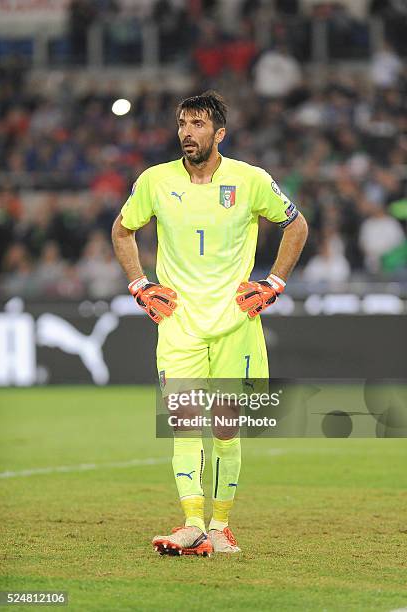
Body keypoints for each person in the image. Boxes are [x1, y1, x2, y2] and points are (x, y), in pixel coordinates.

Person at [111, 91, 308, 557]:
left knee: (224, 425)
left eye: (198, 124)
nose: (187, 132)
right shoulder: (156, 181)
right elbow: (122, 230)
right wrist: (139, 285)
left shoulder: (250, 179)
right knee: (183, 422)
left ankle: (221, 527)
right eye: (183, 123)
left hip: (234, 321)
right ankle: (192, 524)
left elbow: (296, 226)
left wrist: (274, 282)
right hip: (177, 322)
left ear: (219, 133)